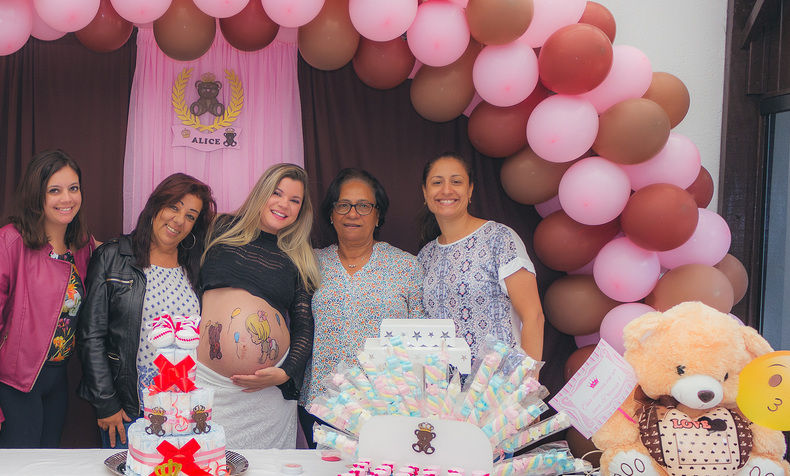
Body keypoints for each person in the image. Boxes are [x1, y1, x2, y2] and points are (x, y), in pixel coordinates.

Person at [77, 173, 217, 449]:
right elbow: (90, 336)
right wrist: (107, 404)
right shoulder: (113, 257)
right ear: (155, 205)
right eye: (174, 207)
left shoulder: (196, 266)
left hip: (183, 407)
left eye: (190, 216)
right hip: (130, 407)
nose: (179, 220)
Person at [0, 149, 95, 448]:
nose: (67, 198)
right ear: (37, 195)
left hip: (57, 382)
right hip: (13, 387)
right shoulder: (8, 242)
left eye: (73, 188)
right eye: (55, 190)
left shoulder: (83, 245)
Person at [196, 163, 318, 449]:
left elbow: (304, 324)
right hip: (206, 383)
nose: (284, 204)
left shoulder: (299, 256)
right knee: (202, 472)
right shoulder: (219, 227)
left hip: (265, 395)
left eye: (294, 200)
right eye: (277, 193)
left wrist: (286, 371)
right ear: (262, 193)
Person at [301, 168, 425, 421]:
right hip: (323, 401)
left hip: (387, 405)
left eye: (364, 206)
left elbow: (421, 341)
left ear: (378, 214)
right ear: (331, 215)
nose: (353, 214)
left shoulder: (407, 266)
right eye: (343, 205)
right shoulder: (311, 263)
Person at [417, 152, 544, 360]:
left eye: (456, 181)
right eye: (437, 182)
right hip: (443, 387)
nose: (446, 190)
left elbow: (533, 317)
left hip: (498, 385)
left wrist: (527, 383)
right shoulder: (425, 256)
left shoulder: (499, 239)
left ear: (470, 190)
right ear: (425, 192)